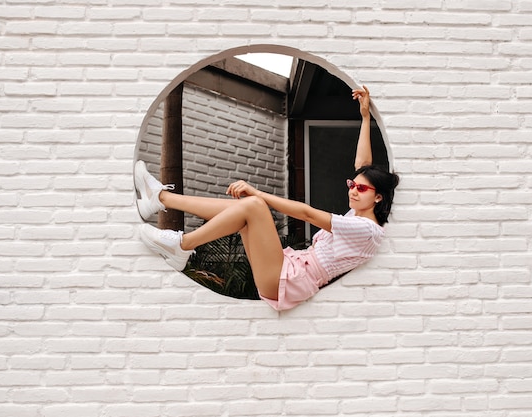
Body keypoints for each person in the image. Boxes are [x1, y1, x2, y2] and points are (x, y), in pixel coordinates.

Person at [134, 86, 400, 311]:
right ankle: (160, 198)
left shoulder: (367, 230)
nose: (353, 190)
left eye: (361, 189)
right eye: (352, 185)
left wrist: (258, 192)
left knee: (254, 204)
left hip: (293, 279)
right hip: (289, 267)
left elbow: (307, 214)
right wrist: (365, 118)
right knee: (244, 209)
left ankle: (182, 245)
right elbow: (363, 164)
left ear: (378, 198)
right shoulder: (358, 214)